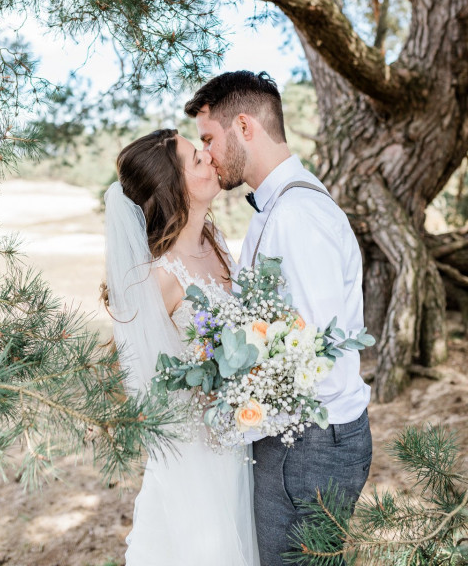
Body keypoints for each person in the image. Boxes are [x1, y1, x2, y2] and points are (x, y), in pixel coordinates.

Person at [185, 70, 371, 566]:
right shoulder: (278, 208)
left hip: (308, 448)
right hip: (300, 441)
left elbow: (317, 358)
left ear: (244, 127)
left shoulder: (297, 216)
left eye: (209, 139)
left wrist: (236, 385)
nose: (205, 154)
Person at [103, 129, 258, 565]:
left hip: (239, 435)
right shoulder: (157, 277)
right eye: (196, 159)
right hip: (196, 454)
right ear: (174, 187)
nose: (209, 158)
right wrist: (214, 386)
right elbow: (151, 390)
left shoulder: (217, 243)